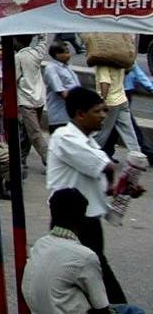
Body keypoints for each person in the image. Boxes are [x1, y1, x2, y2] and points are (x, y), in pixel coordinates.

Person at [47, 87, 130, 306]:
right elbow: (106, 167)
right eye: (98, 111)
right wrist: (116, 176)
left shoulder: (88, 140)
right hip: (70, 221)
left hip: (88, 219)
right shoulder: (65, 137)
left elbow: (100, 182)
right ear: (80, 114)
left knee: (89, 275)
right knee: (95, 275)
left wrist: (122, 189)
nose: (104, 115)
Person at [22, 188, 142, 314]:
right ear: (82, 219)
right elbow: (101, 307)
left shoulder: (39, 245)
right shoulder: (85, 256)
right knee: (133, 311)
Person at [93, 48, 139, 157]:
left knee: (102, 133)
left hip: (110, 102)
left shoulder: (103, 64)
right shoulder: (118, 61)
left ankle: (92, 155)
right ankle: (138, 157)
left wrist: (102, 102)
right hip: (122, 99)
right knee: (129, 132)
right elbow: (128, 69)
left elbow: (105, 83)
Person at [15, 34, 51, 169]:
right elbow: (43, 41)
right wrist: (39, 33)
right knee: (28, 130)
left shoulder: (18, 57)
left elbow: (15, 79)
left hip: (26, 100)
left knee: (34, 133)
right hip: (39, 98)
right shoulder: (36, 53)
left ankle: (49, 160)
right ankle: (22, 158)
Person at [43, 41, 82, 132]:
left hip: (72, 116)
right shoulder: (51, 69)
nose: (69, 55)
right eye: (66, 52)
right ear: (57, 54)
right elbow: (61, 92)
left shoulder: (67, 67)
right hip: (60, 116)